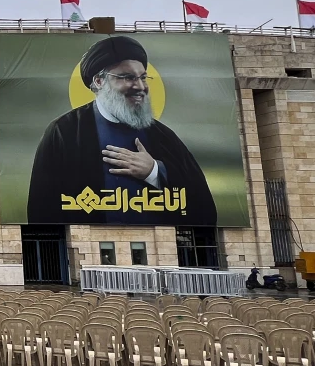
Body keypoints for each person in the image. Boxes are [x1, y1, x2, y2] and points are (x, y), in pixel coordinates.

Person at [27, 35, 216, 225]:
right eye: (128, 77)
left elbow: (202, 204)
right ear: (99, 81)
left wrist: (154, 171)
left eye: (143, 77)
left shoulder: (163, 136)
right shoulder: (64, 132)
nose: (140, 87)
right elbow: (42, 208)